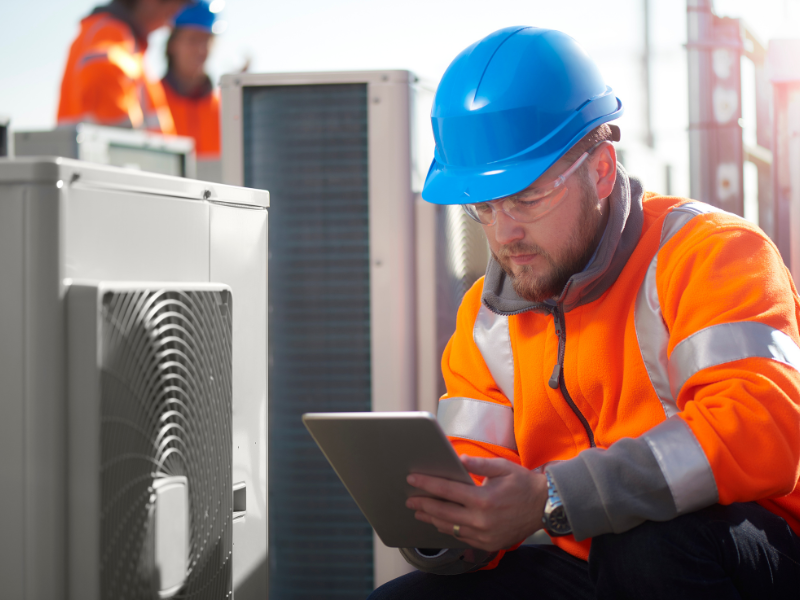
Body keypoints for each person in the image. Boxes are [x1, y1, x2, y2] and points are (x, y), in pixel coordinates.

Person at [371, 26, 800, 599]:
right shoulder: (486, 316)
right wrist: (453, 528)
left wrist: (555, 495)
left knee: (647, 548)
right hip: (586, 555)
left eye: (526, 197)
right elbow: (479, 471)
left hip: (743, 547)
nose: (505, 232)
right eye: (484, 206)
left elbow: (760, 430)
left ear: (600, 170)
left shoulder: (713, 253)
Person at [57, 0, 191, 132]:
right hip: (108, 153)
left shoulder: (124, 38)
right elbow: (102, 74)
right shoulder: (110, 32)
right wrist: (131, 144)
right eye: (172, 10)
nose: (170, 23)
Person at [161, 0, 221, 159]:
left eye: (206, 40)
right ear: (172, 44)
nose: (201, 50)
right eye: (192, 39)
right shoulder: (149, 100)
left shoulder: (224, 108)